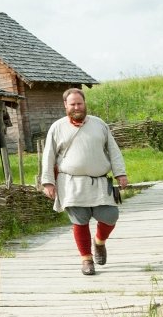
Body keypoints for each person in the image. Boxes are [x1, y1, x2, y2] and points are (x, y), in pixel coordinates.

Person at [40, 88, 129, 276]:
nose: (76, 107)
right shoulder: (57, 127)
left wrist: (120, 173)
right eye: (72, 104)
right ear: (65, 105)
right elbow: (48, 156)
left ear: (84, 103)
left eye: (79, 103)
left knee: (110, 215)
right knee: (79, 222)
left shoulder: (99, 124)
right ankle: (86, 259)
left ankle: (99, 242)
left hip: (99, 182)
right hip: (71, 183)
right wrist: (48, 182)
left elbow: (113, 150)